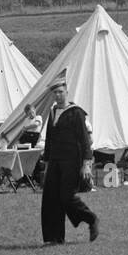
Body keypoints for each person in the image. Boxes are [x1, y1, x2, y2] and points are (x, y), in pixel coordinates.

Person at [40, 73, 98, 245]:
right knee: (51, 198)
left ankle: (91, 218)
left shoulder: (76, 113)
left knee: (66, 197)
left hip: (72, 162)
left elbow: (84, 140)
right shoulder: (52, 112)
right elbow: (49, 139)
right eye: (55, 93)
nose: (58, 95)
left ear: (66, 92)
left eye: (60, 92)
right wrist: (47, 162)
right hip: (55, 161)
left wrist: (86, 164)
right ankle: (55, 237)